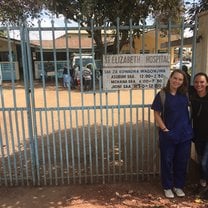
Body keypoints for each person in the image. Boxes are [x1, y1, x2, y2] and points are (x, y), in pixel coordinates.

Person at [151, 69, 193, 198]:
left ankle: (178, 186)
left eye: (180, 79)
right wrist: (165, 130)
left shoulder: (185, 94)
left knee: (181, 161)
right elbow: (156, 114)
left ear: (183, 82)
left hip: (184, 135)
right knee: (167, 161)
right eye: (175, 78)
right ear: (170, 78)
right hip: (168, 135)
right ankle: (167, 186)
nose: (177, 81)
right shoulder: (162, 95)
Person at [189, 72, 208, 194]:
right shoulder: (192, 96)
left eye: (202, 82)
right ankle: (203, 184)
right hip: (198, 135)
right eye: (196, 82)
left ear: (207, 83)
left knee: (205, 162)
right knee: (201, 162)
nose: (199, 84)